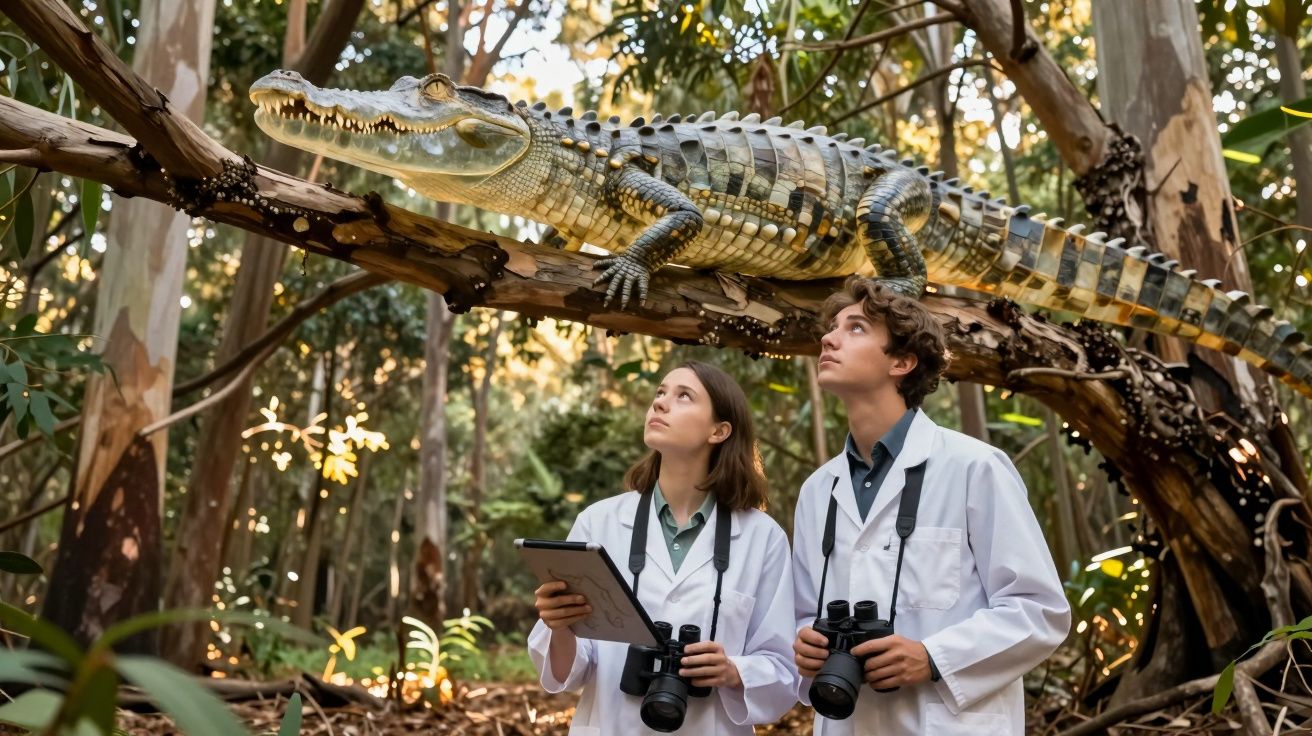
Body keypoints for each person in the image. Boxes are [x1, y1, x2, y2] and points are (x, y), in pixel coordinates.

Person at [791, 277, 1071, 735]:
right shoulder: (817, 490)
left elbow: (1039, 610)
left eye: (855, 328)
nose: (828, 337)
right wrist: (806, 644)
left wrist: (933, 657)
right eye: (833, 327)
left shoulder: (975, 467)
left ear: (902, 361)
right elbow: (804, 612)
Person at [528, 360, 799, 734]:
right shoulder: (599, 523)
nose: (660, 403)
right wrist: (557, 625)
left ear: (719, 431)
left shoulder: (763, 538)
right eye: (660, 393)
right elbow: (566, 674)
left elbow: (785, 670)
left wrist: (733, 670)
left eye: (683, 396)